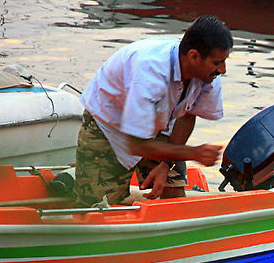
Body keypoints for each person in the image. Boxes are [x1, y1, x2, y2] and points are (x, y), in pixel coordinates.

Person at [72, 15, 233, 207]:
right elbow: (136, 145)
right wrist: (195, 153)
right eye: (217, 63)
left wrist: (166, 163)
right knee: (99, 208)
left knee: (174, 193)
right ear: (194, 56)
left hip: (159, 125)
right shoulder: (150, 72)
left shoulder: (207, 75)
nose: (222, 69)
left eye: (224, 61)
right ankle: (71, 188)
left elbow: (188, 115)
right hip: (108, 125)